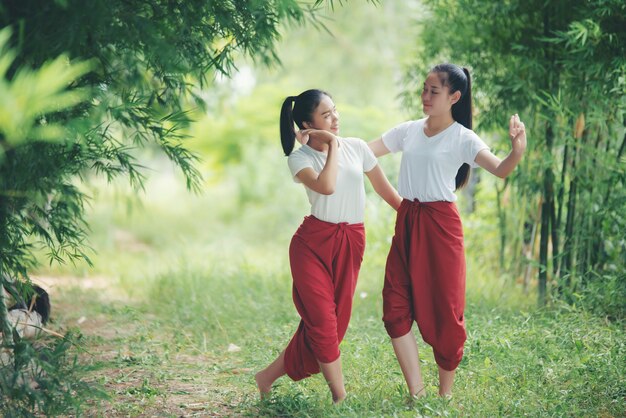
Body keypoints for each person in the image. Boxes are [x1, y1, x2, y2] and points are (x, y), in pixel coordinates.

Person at [368, 63, 527, 398]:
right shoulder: (409, 130)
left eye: (433, 91)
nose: (425, 96)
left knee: (445, 311)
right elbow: (365, 152)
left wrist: (517, 150)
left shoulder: (462, 137)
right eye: (424, 89)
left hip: (441, 227)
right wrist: (326, 143)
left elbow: (500, 169)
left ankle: (445, 395)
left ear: (454, 96)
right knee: (394, 308)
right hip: (408, 220)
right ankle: (418, 393)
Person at [255, 89, 402, 403]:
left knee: (331, 326)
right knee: (323, 323)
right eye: (326, 115)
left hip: (351, 242)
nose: (335, 119)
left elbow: (388, 194)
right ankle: (340, 398)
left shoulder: (359, 148)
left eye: (335, 111)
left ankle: (266, 377)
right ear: (309, 123)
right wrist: (333, 144)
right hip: (312, 246)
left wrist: (420, 220)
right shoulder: (300, 158)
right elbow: (327, 185)